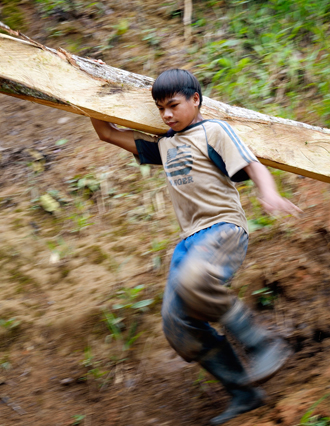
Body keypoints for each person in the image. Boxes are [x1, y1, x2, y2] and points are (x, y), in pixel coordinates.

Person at [90, 69, 301, 425]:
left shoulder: (214, 131)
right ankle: (244, 393)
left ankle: (261, 344)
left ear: (195, 100)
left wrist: (269, 193)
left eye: (173, 105)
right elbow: (106, 133)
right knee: (177, 327)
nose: (167, 115)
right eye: (161, 109)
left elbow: (253, 164)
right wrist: (88, 90)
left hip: (222, 229)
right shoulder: (164, 145)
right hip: (189, 242)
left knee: (194, 281)